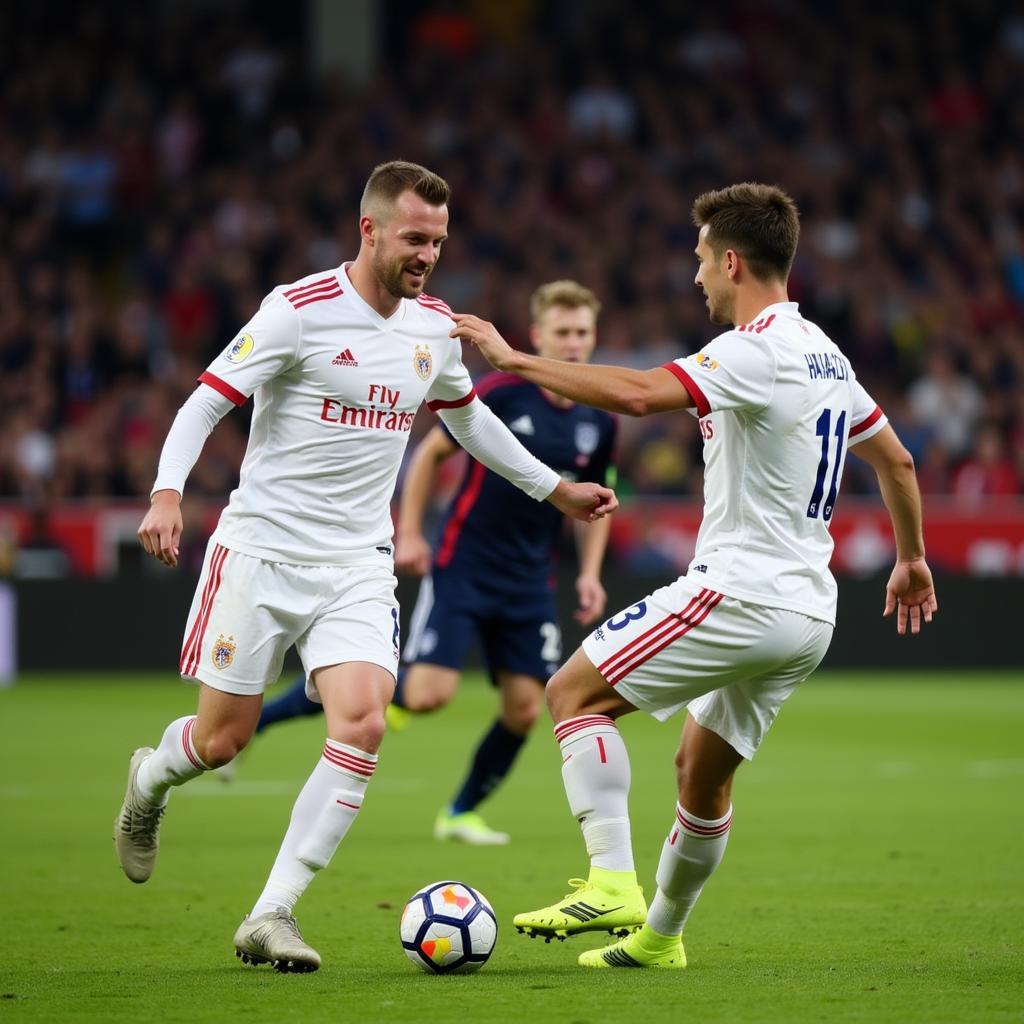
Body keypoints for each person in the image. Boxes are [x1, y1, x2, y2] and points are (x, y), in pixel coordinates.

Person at [114, 160, 617, 974]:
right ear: (370, 229)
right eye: (415, 238)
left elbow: (471, 424)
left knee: (364, 721)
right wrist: (167, 494)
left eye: (439, 242)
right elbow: (206, 398)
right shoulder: (297, 311)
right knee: (222, 739)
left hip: (356, 562)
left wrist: (554, 490)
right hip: (263, 553)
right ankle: (150, 783)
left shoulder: (432, 327)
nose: (427, 255)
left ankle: (272, 912)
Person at [450, 182, 937, 970]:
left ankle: (611, 881)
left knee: (572, 694)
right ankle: (662, 940)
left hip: (741, 591)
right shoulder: (826, 353)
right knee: (700, 779)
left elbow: (642, 397)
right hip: (809, 614)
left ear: (733, 260)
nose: (697, 277)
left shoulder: (754, 348)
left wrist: (512, 359)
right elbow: (898, 459)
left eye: (703, 260)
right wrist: (912, 559)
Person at [231, 281, 617, 848]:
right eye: (562, 332)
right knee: (430, 694)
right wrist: (410, 531)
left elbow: (599, 499)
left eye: (582, 332)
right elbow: (429, 455)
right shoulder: (502, 393)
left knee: (525, 708)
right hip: (464, 564)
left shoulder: (599, 419)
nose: (574, 343)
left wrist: (589, 574)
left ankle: (460, 813)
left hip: (532, 579)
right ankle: (265, 718)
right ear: (537, 336)